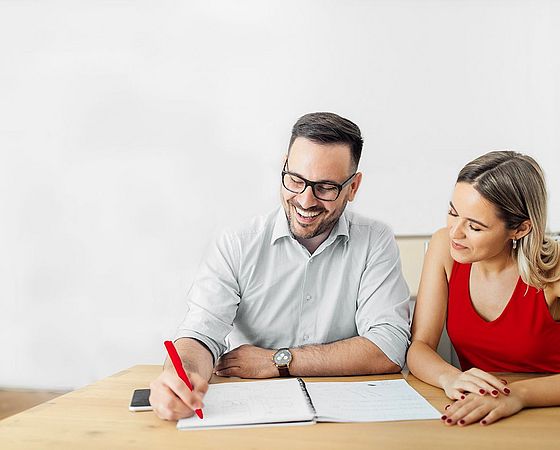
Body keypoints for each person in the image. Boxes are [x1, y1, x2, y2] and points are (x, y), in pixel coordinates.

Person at [150, 112, 411, 420]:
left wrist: (278, 361)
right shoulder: (237, 242)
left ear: (353, 187)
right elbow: (201, 334)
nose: (305, 200)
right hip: (252, 414)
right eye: (296, 180)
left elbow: (388, 347)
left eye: (325, 187)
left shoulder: (375, 241)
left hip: (347, 420)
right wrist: (182, 377)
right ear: (284, 165)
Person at [407, 150, 560, 426]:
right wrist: (450, 378)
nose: (455, 232)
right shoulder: (444, 247)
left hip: (550, 412)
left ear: (520, 229)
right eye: (453, 212)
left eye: (474, 226)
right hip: (477, 409)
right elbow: (420, 346)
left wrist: (517, 395)